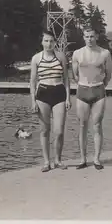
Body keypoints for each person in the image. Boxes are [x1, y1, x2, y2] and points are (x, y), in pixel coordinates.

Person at [30, 30, 71, 172]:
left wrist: (68, 98)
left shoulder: (61, 57)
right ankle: (47, 162)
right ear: (42, 42)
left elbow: (66, 78)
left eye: (51, 41)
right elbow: (33, 81)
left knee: (59, 131)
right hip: (42, 94)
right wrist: (33, 101)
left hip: (59, 92)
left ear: (55, 42)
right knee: (44, 130)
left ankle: (58, 160)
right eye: (46, 41)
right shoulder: (36, 58)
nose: (49, 44)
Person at [71, 26, 112, 170]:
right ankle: (83, 159)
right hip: (82, 90)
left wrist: (99, 86)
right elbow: (75, 75)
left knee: (97, 125)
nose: (89, 39)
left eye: (92, 36)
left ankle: (96, 159)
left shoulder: (104, 53)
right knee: (82, 126)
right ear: (83, 37)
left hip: (98, 90)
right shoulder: (77, 53)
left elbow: (108, 75)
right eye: (87, 36)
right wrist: (84, 85)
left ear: (96, 37)